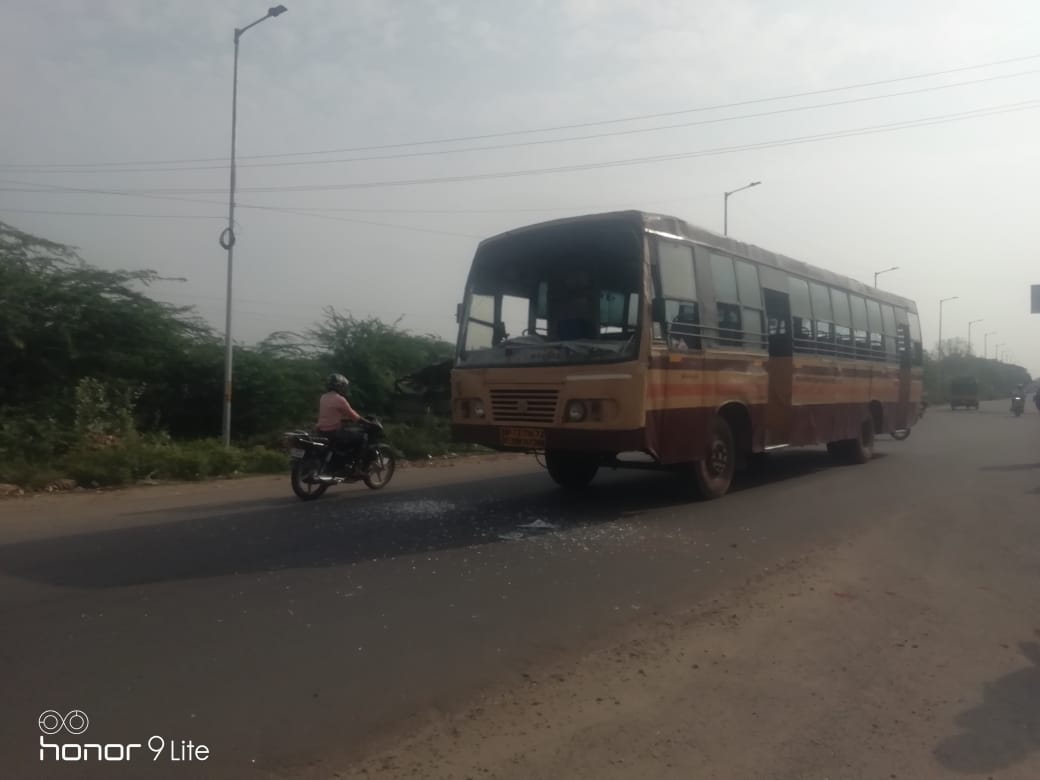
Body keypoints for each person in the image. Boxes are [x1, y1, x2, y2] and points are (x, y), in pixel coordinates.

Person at [317, 373, 364, 457]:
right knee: (361, 437)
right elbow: (354, 416)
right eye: (343, 386)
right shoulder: (339, 399)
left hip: (321, 431)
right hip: (334, 433)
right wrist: (365, 422)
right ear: (339, 386)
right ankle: (355, 462)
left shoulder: (323, 397)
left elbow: (331, 414)